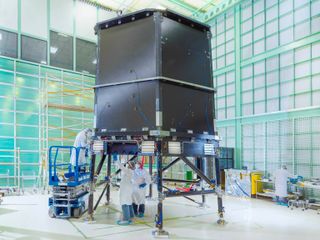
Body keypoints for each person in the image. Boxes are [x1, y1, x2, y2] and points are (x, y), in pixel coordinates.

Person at [117, 160, 135, 225]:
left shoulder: (128, 171)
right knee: (128, 202)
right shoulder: (130, 171)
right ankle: (131, 215)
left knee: (124, 203)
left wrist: (116, 160)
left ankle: (126, 219)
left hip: (125, 189)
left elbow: (121, 167)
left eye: (128, 164)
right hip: (128, 188)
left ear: (130, 166)